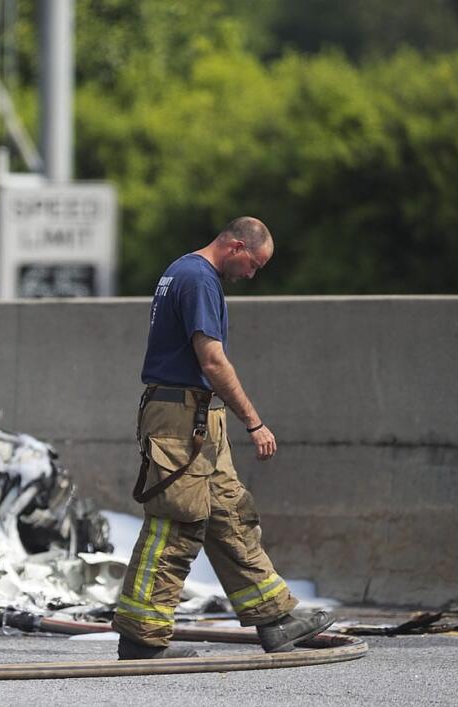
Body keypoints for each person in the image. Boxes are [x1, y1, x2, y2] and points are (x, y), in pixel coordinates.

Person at [113, 216, 334, 660]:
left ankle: (276, 620)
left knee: (231, 515)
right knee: (177, 524)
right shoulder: (197, 279)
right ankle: (141, 638)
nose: (251, 275)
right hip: (180, 419)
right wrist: (254, 421)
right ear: (234, 245)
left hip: (198, 417)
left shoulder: (189, 274)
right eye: (253, 264)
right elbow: (212, 360)